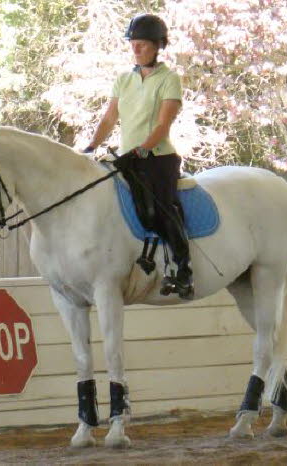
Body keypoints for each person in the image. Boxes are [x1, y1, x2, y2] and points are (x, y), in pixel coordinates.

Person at [83, 13, 193, 299]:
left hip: (158, 157)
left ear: (158, 46)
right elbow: (109, 119)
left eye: (142, 44)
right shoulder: (123, 80)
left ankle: (183, 269)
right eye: (133, 43)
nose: (136, 49)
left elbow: (163, 124)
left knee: (161, 206)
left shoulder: (169, 79)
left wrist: (142, 149)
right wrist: (92, 146)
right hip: (127, 158)